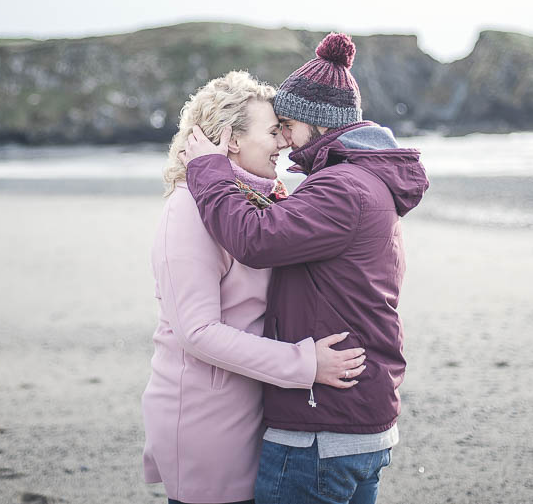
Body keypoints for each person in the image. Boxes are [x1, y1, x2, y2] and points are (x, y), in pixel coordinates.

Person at [181, 34, 429, 504]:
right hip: (353, 421)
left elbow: (255, 239)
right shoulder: (361, 181)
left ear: (317, 123)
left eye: (288, 125)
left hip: (321, 431)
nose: (285, 140)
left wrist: (209, 170)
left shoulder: (341, 188)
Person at [142, 70, 368, 504]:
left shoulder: (254, 201)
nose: (284, 142)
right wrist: (305, 364)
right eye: (272, 131)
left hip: (254, 407)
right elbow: (197, 332)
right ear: (231, 138)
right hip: (206, 421)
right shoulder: (188, 210)